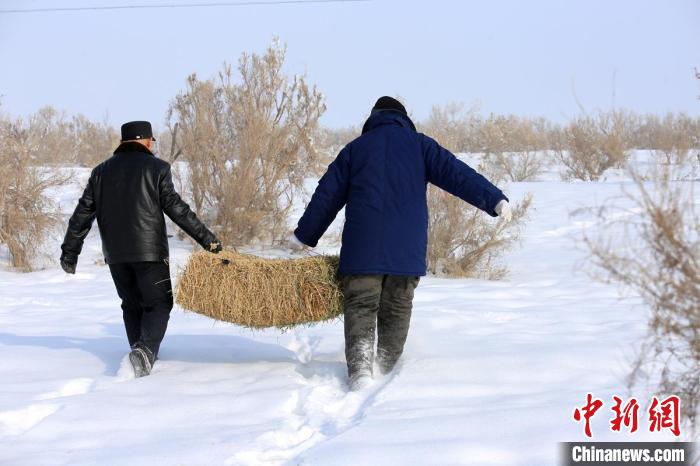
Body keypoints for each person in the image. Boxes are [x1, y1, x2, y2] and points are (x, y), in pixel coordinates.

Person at [289, 97, 511, 390]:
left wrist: (304, 236)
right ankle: (385, 366)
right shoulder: (420, 146)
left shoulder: (356, 149)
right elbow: (457, 174)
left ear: (373, 119)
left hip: (362, 249)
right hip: (406, 253)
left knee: (361, 305)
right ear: (403, 118)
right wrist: (493, 199)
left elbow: (326, 196)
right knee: (397, 306)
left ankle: (361, 372)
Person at [60, 121, 221, 377]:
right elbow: (178, 210)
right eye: (151, 141)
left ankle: (138, 351)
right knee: (159, 303)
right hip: (150, 253)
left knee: (131, 304)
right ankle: (144, 352)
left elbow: (81, 215)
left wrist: (70, 252)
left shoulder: (100, 172)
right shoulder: (156, 168)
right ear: (146, 141)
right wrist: (209, 242)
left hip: (115, 255)